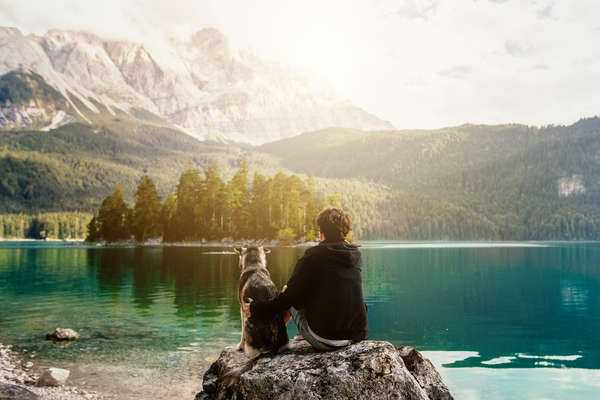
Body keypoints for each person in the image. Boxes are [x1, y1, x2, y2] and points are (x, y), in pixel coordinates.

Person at [244, 206, 369, 351]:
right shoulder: (356, 255)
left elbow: (287, 300)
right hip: (358, 336)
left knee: (288, 291)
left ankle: (275, 338)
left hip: (327, 339)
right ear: (345, 231)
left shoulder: (312, 257)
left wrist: (256, 307)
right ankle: (300, 332)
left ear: (320, 230)